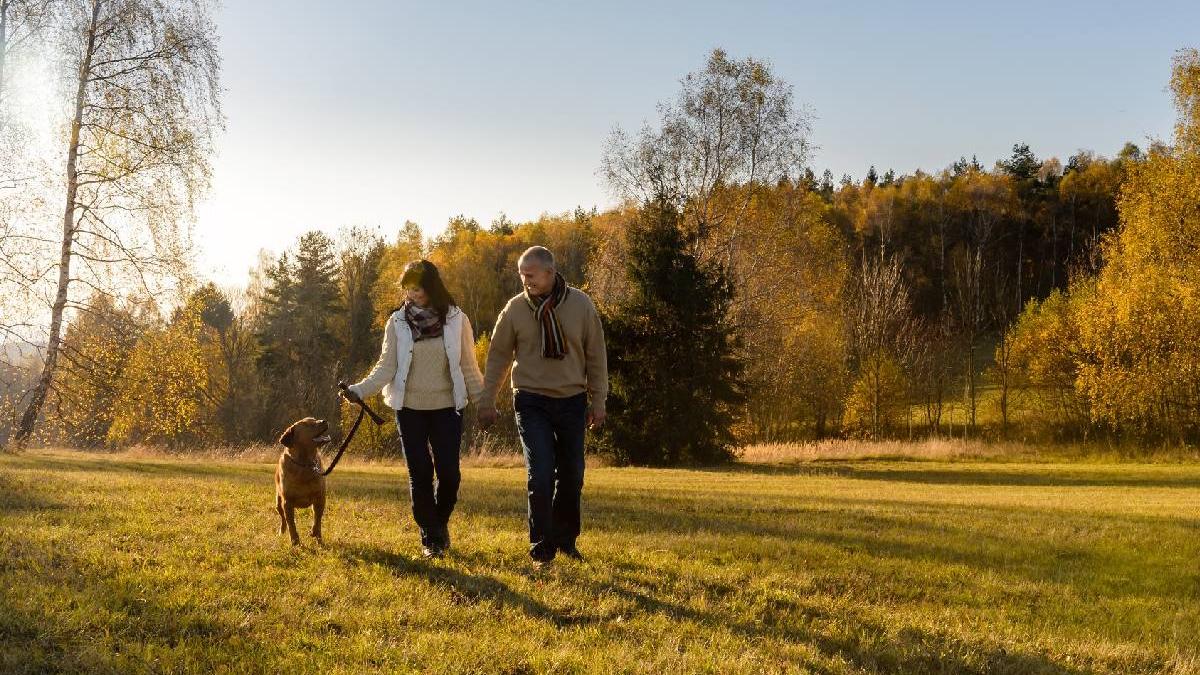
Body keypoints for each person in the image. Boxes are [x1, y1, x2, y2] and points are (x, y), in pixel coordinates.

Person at [342, 260, 484, 559]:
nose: (411, 295)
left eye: (417, 288)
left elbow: (469, 367)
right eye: (407, 289)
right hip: (409, 408)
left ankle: (439, 523)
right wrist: (358, 390)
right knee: (419, 473)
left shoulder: (458, 319)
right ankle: (431, 538)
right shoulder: (397, 322)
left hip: (447, 407)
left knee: (449, 475)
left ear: (431, 287)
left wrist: (485, 403)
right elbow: (386, 367)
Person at [479, 246, 608, 568]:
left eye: (531, 275)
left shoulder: (581, 305)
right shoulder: (515, 309)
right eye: (522, 275)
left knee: (572, 475)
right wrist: (487, 400)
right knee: (539, 475)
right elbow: (498, 357)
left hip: (571, 400)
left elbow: (596, 355)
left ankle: (565, 541)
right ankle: (541, 547)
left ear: (551, 273)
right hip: (531, 399)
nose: (526, 281)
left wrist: (599, 400)